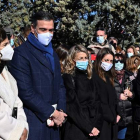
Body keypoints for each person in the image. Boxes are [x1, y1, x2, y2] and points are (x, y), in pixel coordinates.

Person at [8, 11, 67, 140]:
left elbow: (60, 86)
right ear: (33, 29)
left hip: (55, 125)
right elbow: (25, 91)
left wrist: (61, 112)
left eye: (51, 30)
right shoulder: (21, 54)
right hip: (35, 123)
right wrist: (52, 113)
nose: (48, 34)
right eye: (43, 29)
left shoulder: (53, 54)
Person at [62, 45, 103, 140]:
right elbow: (72, 106)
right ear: (72, 60)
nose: (84, 61)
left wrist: (97, 126)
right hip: (77, 128)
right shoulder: (68, 78)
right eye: (80, 58)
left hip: (93, 128)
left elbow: (97, 102)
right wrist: (89, 127)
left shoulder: (90, 77)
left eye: (85, 58)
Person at [0, 28, 28, 140]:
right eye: (5, 44)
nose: (10, 47)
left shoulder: (5, 72)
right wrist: (16, 130)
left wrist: (22, 127)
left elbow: (17, 103)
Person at [93, 48, 121, 140]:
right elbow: (99, 101)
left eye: (111, 61)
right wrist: (111, 117)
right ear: (100, 60)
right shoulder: (94, 76)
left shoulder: (109, 76)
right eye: (106, 60)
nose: (109, 63)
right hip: (101, 121)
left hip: (112, 120)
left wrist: (118, 113)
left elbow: (113, 98)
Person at [114, 53, 137, 140]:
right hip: (114, 115)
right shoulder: (108, 77)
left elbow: (136, 95)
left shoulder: (129, 77)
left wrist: (131, 94)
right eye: (116, 61)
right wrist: (118, 96)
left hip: (126, 116)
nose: (118, 63)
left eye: (121, 61)